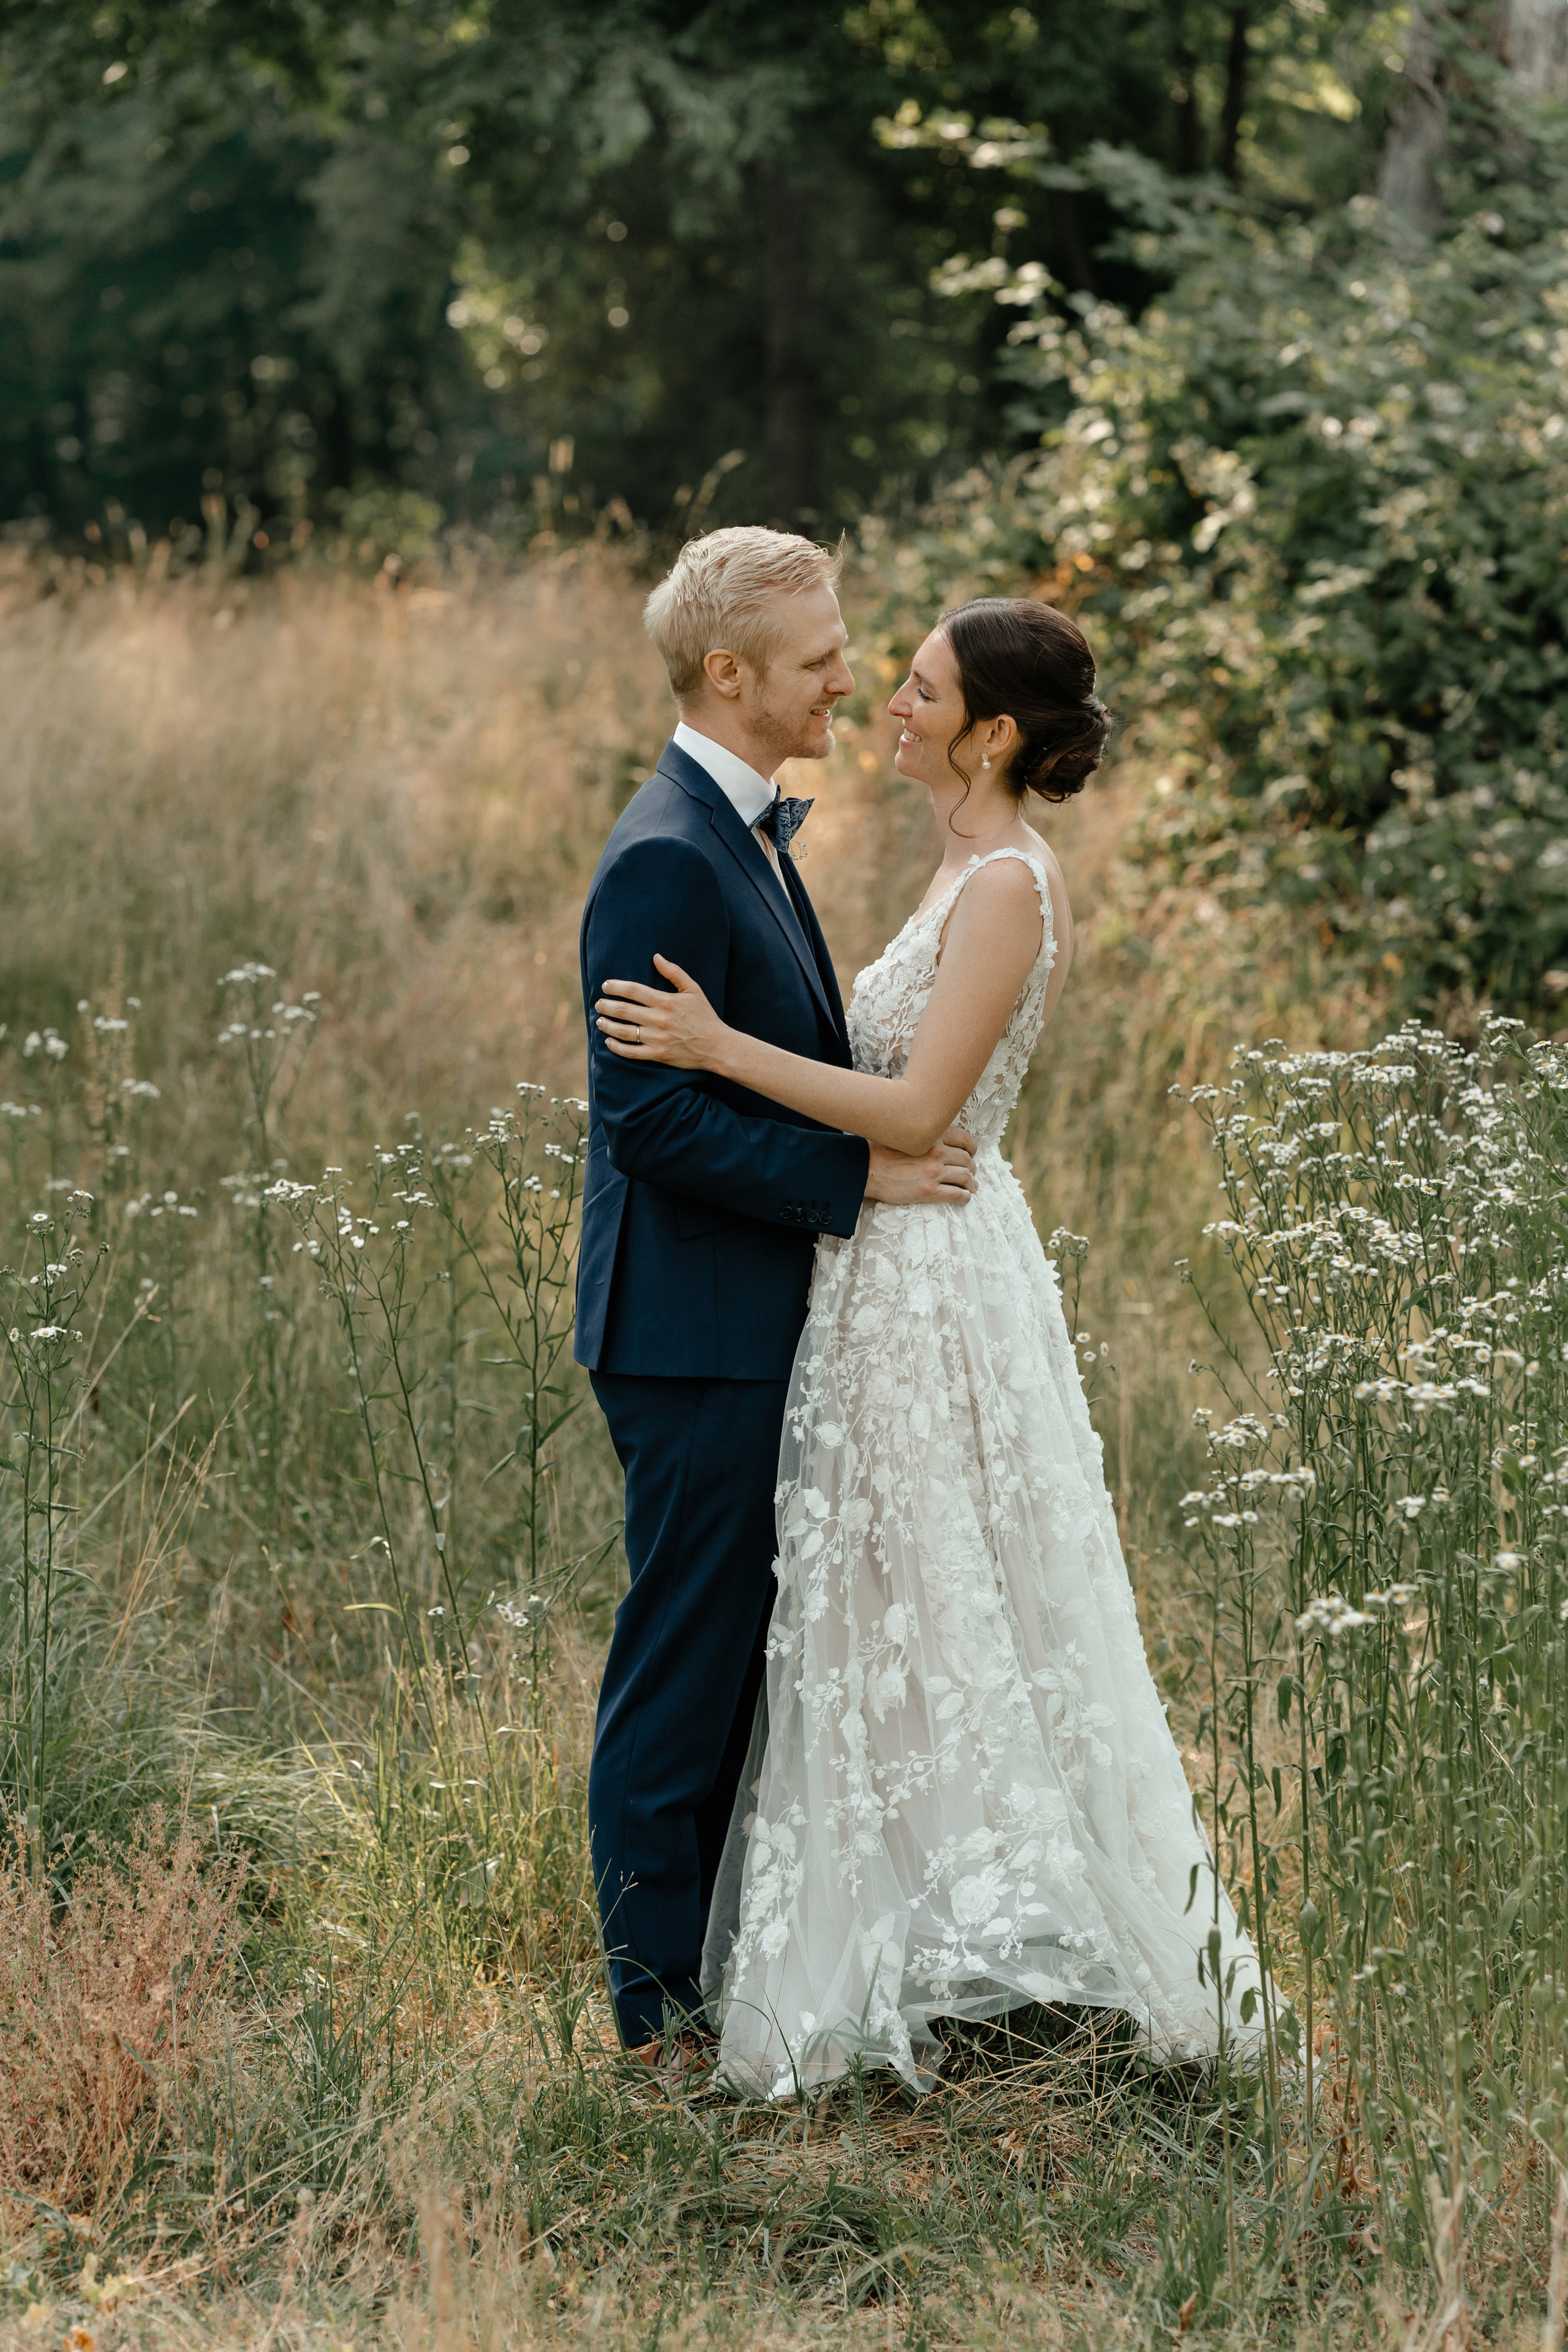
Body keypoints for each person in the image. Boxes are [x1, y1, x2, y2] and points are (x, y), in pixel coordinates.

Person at [595, 591, 1266, 2097]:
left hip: (932, 1273)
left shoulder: (1009, 886)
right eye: (870, 675)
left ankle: (1001, 1948)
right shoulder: (948, 859)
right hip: (873, 1270)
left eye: (914, 686)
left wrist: (714, 1047)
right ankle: (892, 1933)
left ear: (993, 733)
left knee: (944, 1608)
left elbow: (914, 1115)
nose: (883, 700)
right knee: (876, 1620)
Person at [576, 526, 979, 2073]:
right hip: (687, 1332)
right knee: (683, 1660)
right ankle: (650, 2017)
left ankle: (722, 1970)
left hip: (743, 1317)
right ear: (729, 675)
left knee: (745, 1643)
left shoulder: (741, 827)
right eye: (817, 657)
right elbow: (649, 1122)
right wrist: (856, 1182)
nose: (846, 677)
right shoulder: (671, 849)